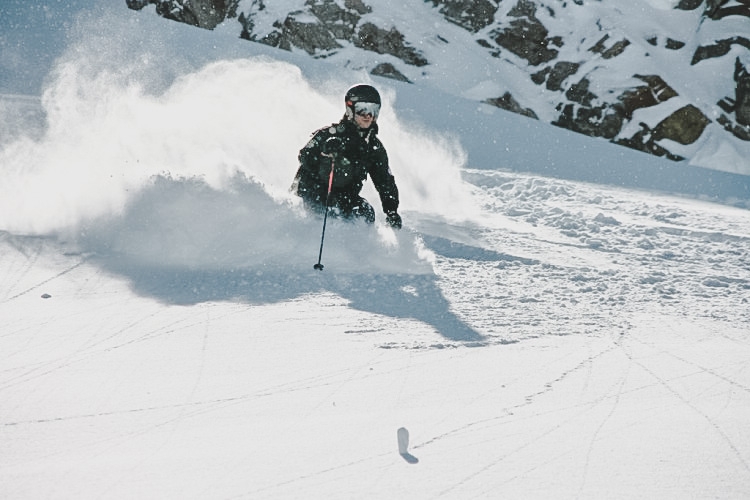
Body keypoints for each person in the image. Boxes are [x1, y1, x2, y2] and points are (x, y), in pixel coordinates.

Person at [292, 84, 402, 229]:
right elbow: (305, 155)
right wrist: (324, 152)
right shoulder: (329, 134)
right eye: (362, 109)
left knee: (365, 213)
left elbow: (385, 181)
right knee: (330, 210)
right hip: (313, 192)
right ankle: (306, 235)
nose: (368, 115)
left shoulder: (373, 147)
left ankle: (354, 247)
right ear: (350, 109)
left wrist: (391, 211)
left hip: (345, 197)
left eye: (373, 110)